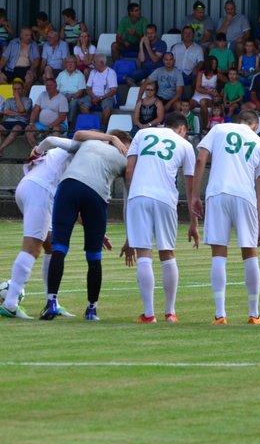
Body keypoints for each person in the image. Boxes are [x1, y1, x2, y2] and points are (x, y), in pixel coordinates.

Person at [39, 130, 131, 321]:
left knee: (59, 247)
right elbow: (128, 199)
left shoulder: (87, 144)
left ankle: (51, 303)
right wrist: (130, 236)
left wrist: (36, 152)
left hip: (68, 186)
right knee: (94, 255)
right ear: (121, 144)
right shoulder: (125, 161)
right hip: (96, 195)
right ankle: (91, 310)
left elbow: (58, 138)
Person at [190, 110, 260, 325]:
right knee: (249, 252)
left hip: (217, 192)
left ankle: (220, 314)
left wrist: (195, 195)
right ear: (256, 125)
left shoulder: (219, 129)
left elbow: (201, 158)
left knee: (218, 252)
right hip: (245, 195)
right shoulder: (259, 143)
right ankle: (254, 314)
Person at [0, 133, 87, 319]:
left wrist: (93, 229)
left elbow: (73, 207)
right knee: (32, 247)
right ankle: (10, 303)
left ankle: (52, 302)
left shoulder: (72, 156)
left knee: (52, 246)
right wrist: (37, 151)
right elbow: (49, 140)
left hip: (31, 187)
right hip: (40, 190)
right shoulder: (79, 147)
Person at [121, 112, 198, 323]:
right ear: (182, 129)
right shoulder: (185, 145)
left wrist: (134, 197)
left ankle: (149, 314)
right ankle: (170, 312)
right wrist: (193, 223)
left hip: (139, 195)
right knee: (167, 253)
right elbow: (191, 188)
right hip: (165, 198)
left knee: (144, 253)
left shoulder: (142, 134)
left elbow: (129, 172)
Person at [24, 77, 68, 146]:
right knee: (28, 130)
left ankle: (52, 151)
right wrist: (31, 123)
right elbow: (35, 110)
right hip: (41, 125)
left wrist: (50, 126)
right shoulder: (42, 94)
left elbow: (62, 117)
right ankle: (37, 150)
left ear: (56, 86)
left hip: (57, 125)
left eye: (51, 85)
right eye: (47, 85)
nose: (49, 87)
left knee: (56, 130)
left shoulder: (62, 98)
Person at [0, 79, 33, 155]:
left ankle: (0, 148)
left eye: (18, 89)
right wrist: (20, 113)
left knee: (16, 128)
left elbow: (22, 110)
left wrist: (17, 97)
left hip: (21, 122)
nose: (16, 91)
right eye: (14, 89)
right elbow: (6, 111)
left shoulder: (28, 100)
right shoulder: (8, 100)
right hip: (7, 121)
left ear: (23, 90)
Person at [56, 56, 86, 127]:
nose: (70, 64)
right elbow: (56, 89)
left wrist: (72, 97)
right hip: (62, 95)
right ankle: (57, 123)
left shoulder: (80, 75)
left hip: (74, 96)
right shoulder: (61, 74)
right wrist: (61, 98)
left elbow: (81, 91)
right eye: (68, 62)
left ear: (76, 64)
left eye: (72, 62)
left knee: (73, 103)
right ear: (65, 64)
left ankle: (70, 124)